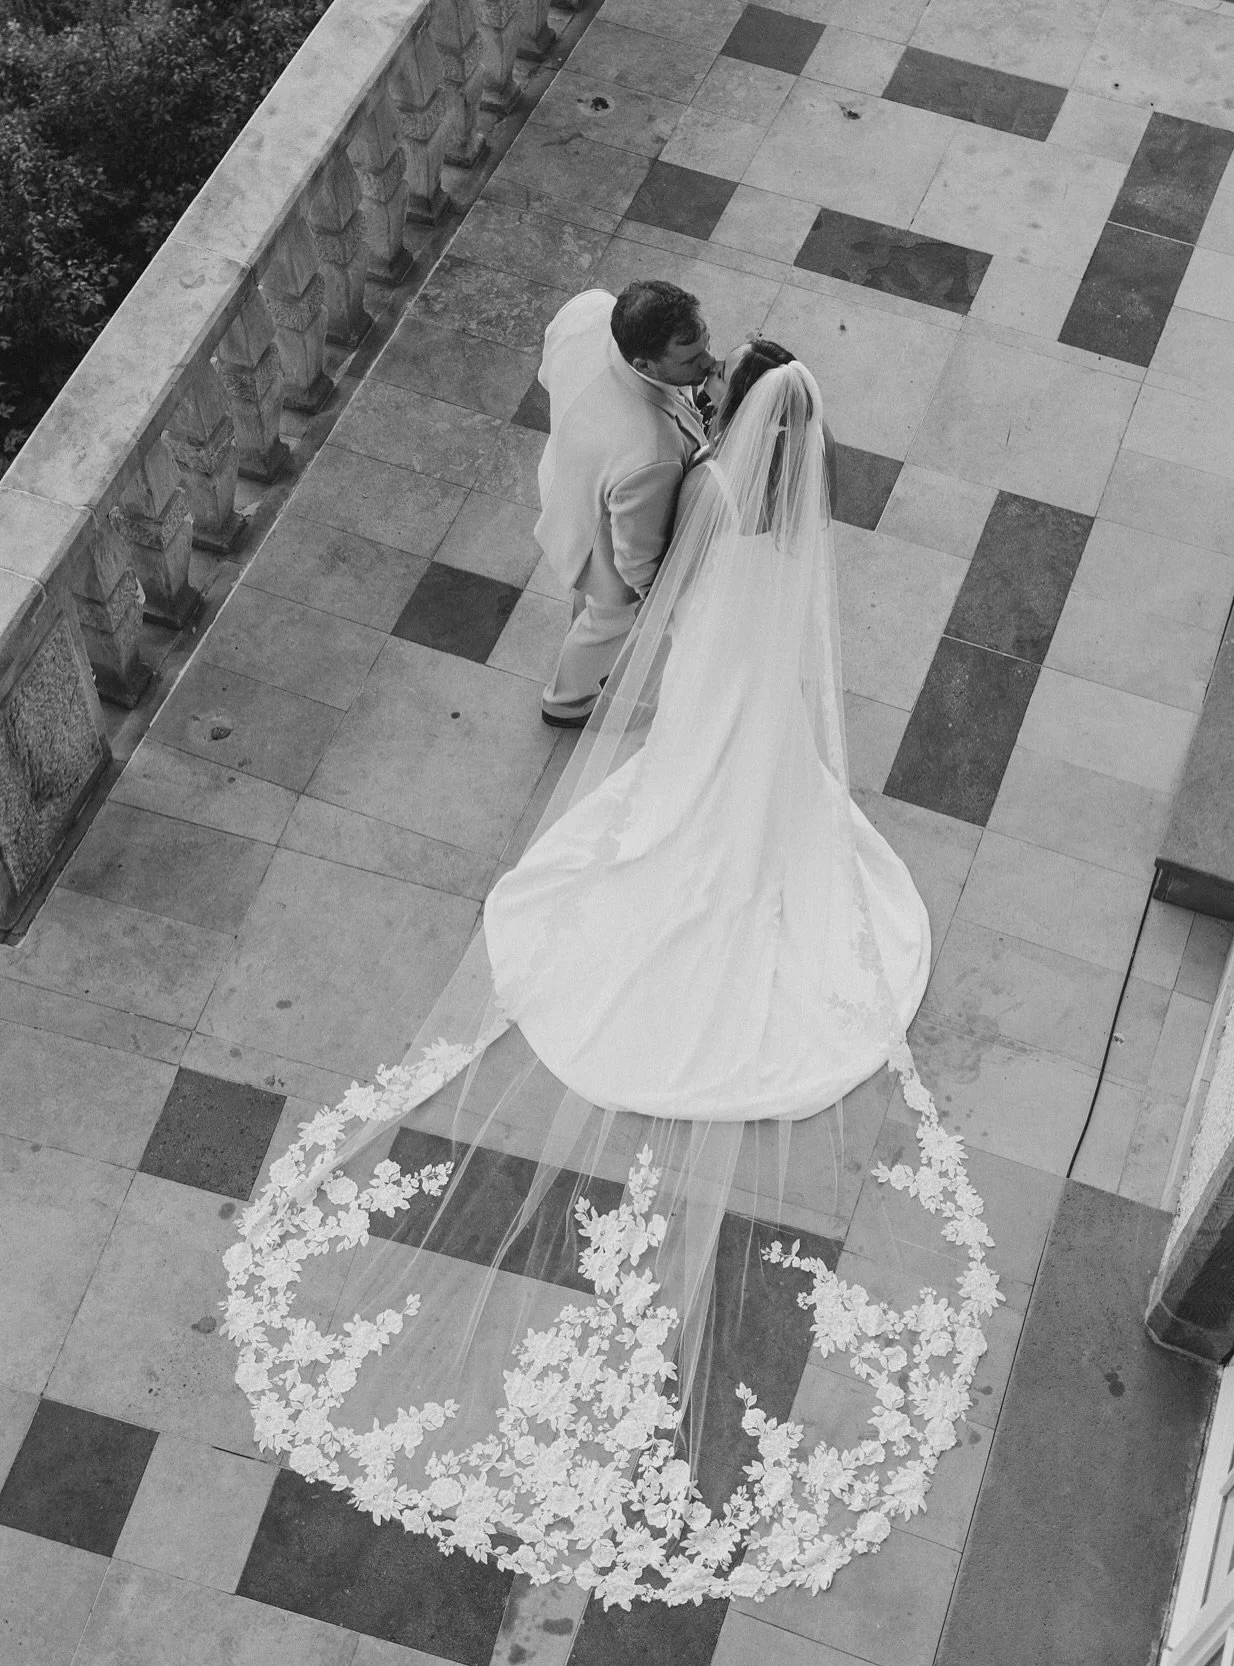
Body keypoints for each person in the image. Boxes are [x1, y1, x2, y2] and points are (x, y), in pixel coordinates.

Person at [223, 345, 999, 1610]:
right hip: (762, 680)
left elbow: (681, 584)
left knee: (680, 776)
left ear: (733, 414)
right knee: (751, 772)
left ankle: (695, 840)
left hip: (712, 663)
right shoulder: (798, 510)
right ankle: (734, 842)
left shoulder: (707, 491)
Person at [535, 280, 714, 728]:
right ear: (643, 363)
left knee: (590, 600)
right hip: (598, 525)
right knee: (611, 615)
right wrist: (658, 604)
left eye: (704, 345)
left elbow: (548, 370)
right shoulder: (649, 450)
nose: (708, 364)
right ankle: (568, 700)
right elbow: (637, 557)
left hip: (564, 472)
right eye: (690, 360)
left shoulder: (592, 310)